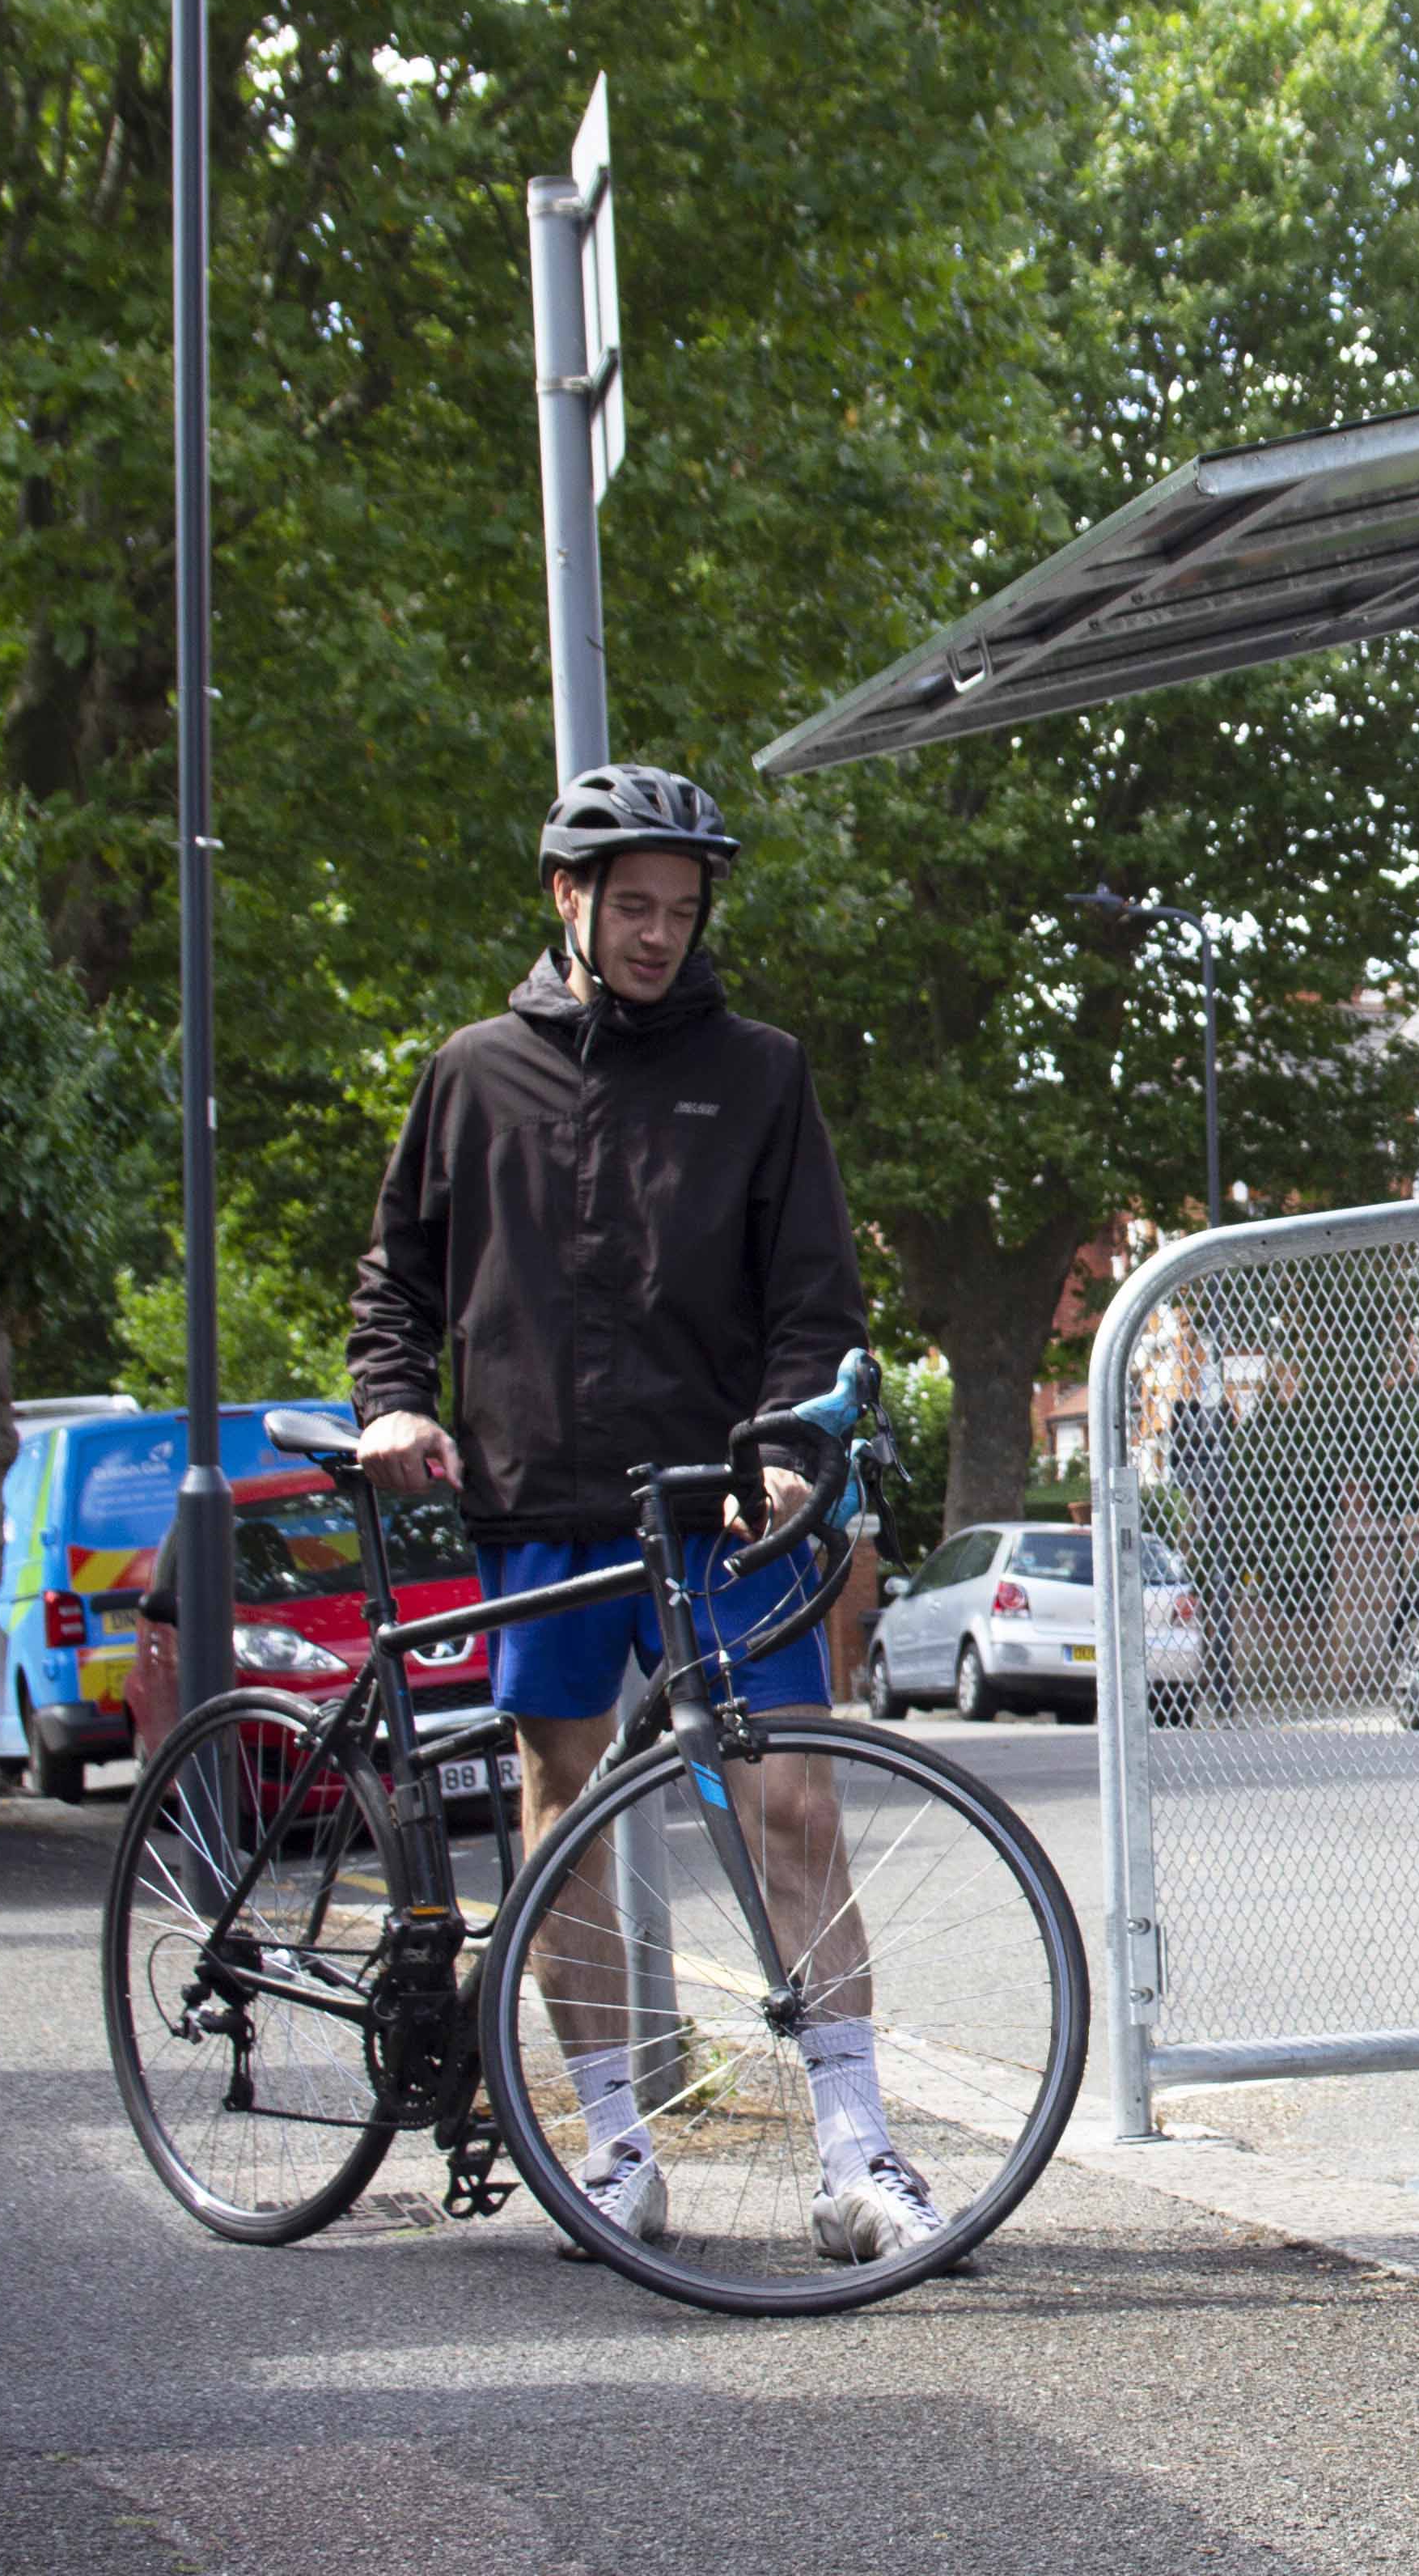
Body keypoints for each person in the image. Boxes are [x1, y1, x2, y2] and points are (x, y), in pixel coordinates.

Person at [347, 763, 940, 2262]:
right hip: (544, 1495)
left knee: (792, 1802)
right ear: (571, 898)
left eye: (684, 910)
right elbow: (397, 1277)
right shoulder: (472, 1070)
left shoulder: (759, 1073)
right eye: (636, 907)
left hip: (723, 1506)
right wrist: (393, 1402)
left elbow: (816, 1297)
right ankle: (611, 2149)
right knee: (563, 1819)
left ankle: (859, 2157)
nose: (661, 935)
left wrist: (796, 1445)